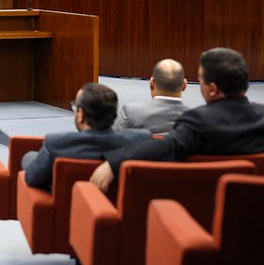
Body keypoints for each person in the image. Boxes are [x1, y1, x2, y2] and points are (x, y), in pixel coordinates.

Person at [90, 48, 264, 193]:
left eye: (201, 80)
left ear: (212, 89)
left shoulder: (199, 121)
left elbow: (166, 145)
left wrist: (113, 163)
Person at [21, 82, 151, 190]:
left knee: (29, 158)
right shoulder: (140, 140)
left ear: (81, 114)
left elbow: (32, 178)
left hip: (69, 213)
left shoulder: (56, 144)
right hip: (121, 214)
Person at [113, 59, 189, 134]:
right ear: (184, 85)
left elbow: (115, 142)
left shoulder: (130, 113)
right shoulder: (197, 119)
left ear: (151, 83)